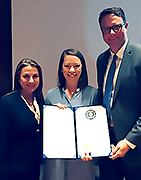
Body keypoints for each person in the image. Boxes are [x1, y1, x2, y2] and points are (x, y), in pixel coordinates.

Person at [96, 7, 141, 180]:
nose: (112, 33)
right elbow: (106, 100)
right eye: (106, 29)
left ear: (126, 26)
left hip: (140, 150)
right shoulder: (102, 60)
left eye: (116, 27)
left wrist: (129, 141)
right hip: (109, 147)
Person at [42, 48, 97, 180]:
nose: (72, 70)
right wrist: (53, 113)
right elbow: (46, 129)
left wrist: (93, 149)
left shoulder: (93, 94)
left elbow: (97, 127)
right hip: (55, 159)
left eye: (76, 66)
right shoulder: (51, 95)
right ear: (61, 69)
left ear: (82, 68)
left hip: (83, 159)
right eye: (67, 66)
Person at [0, 58, 44, 180]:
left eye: (35, 76)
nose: (31, 80)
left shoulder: (40, 102)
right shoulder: (6, 103)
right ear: (18, 78)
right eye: (26, 76)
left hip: (34, 169)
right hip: (12, 172)